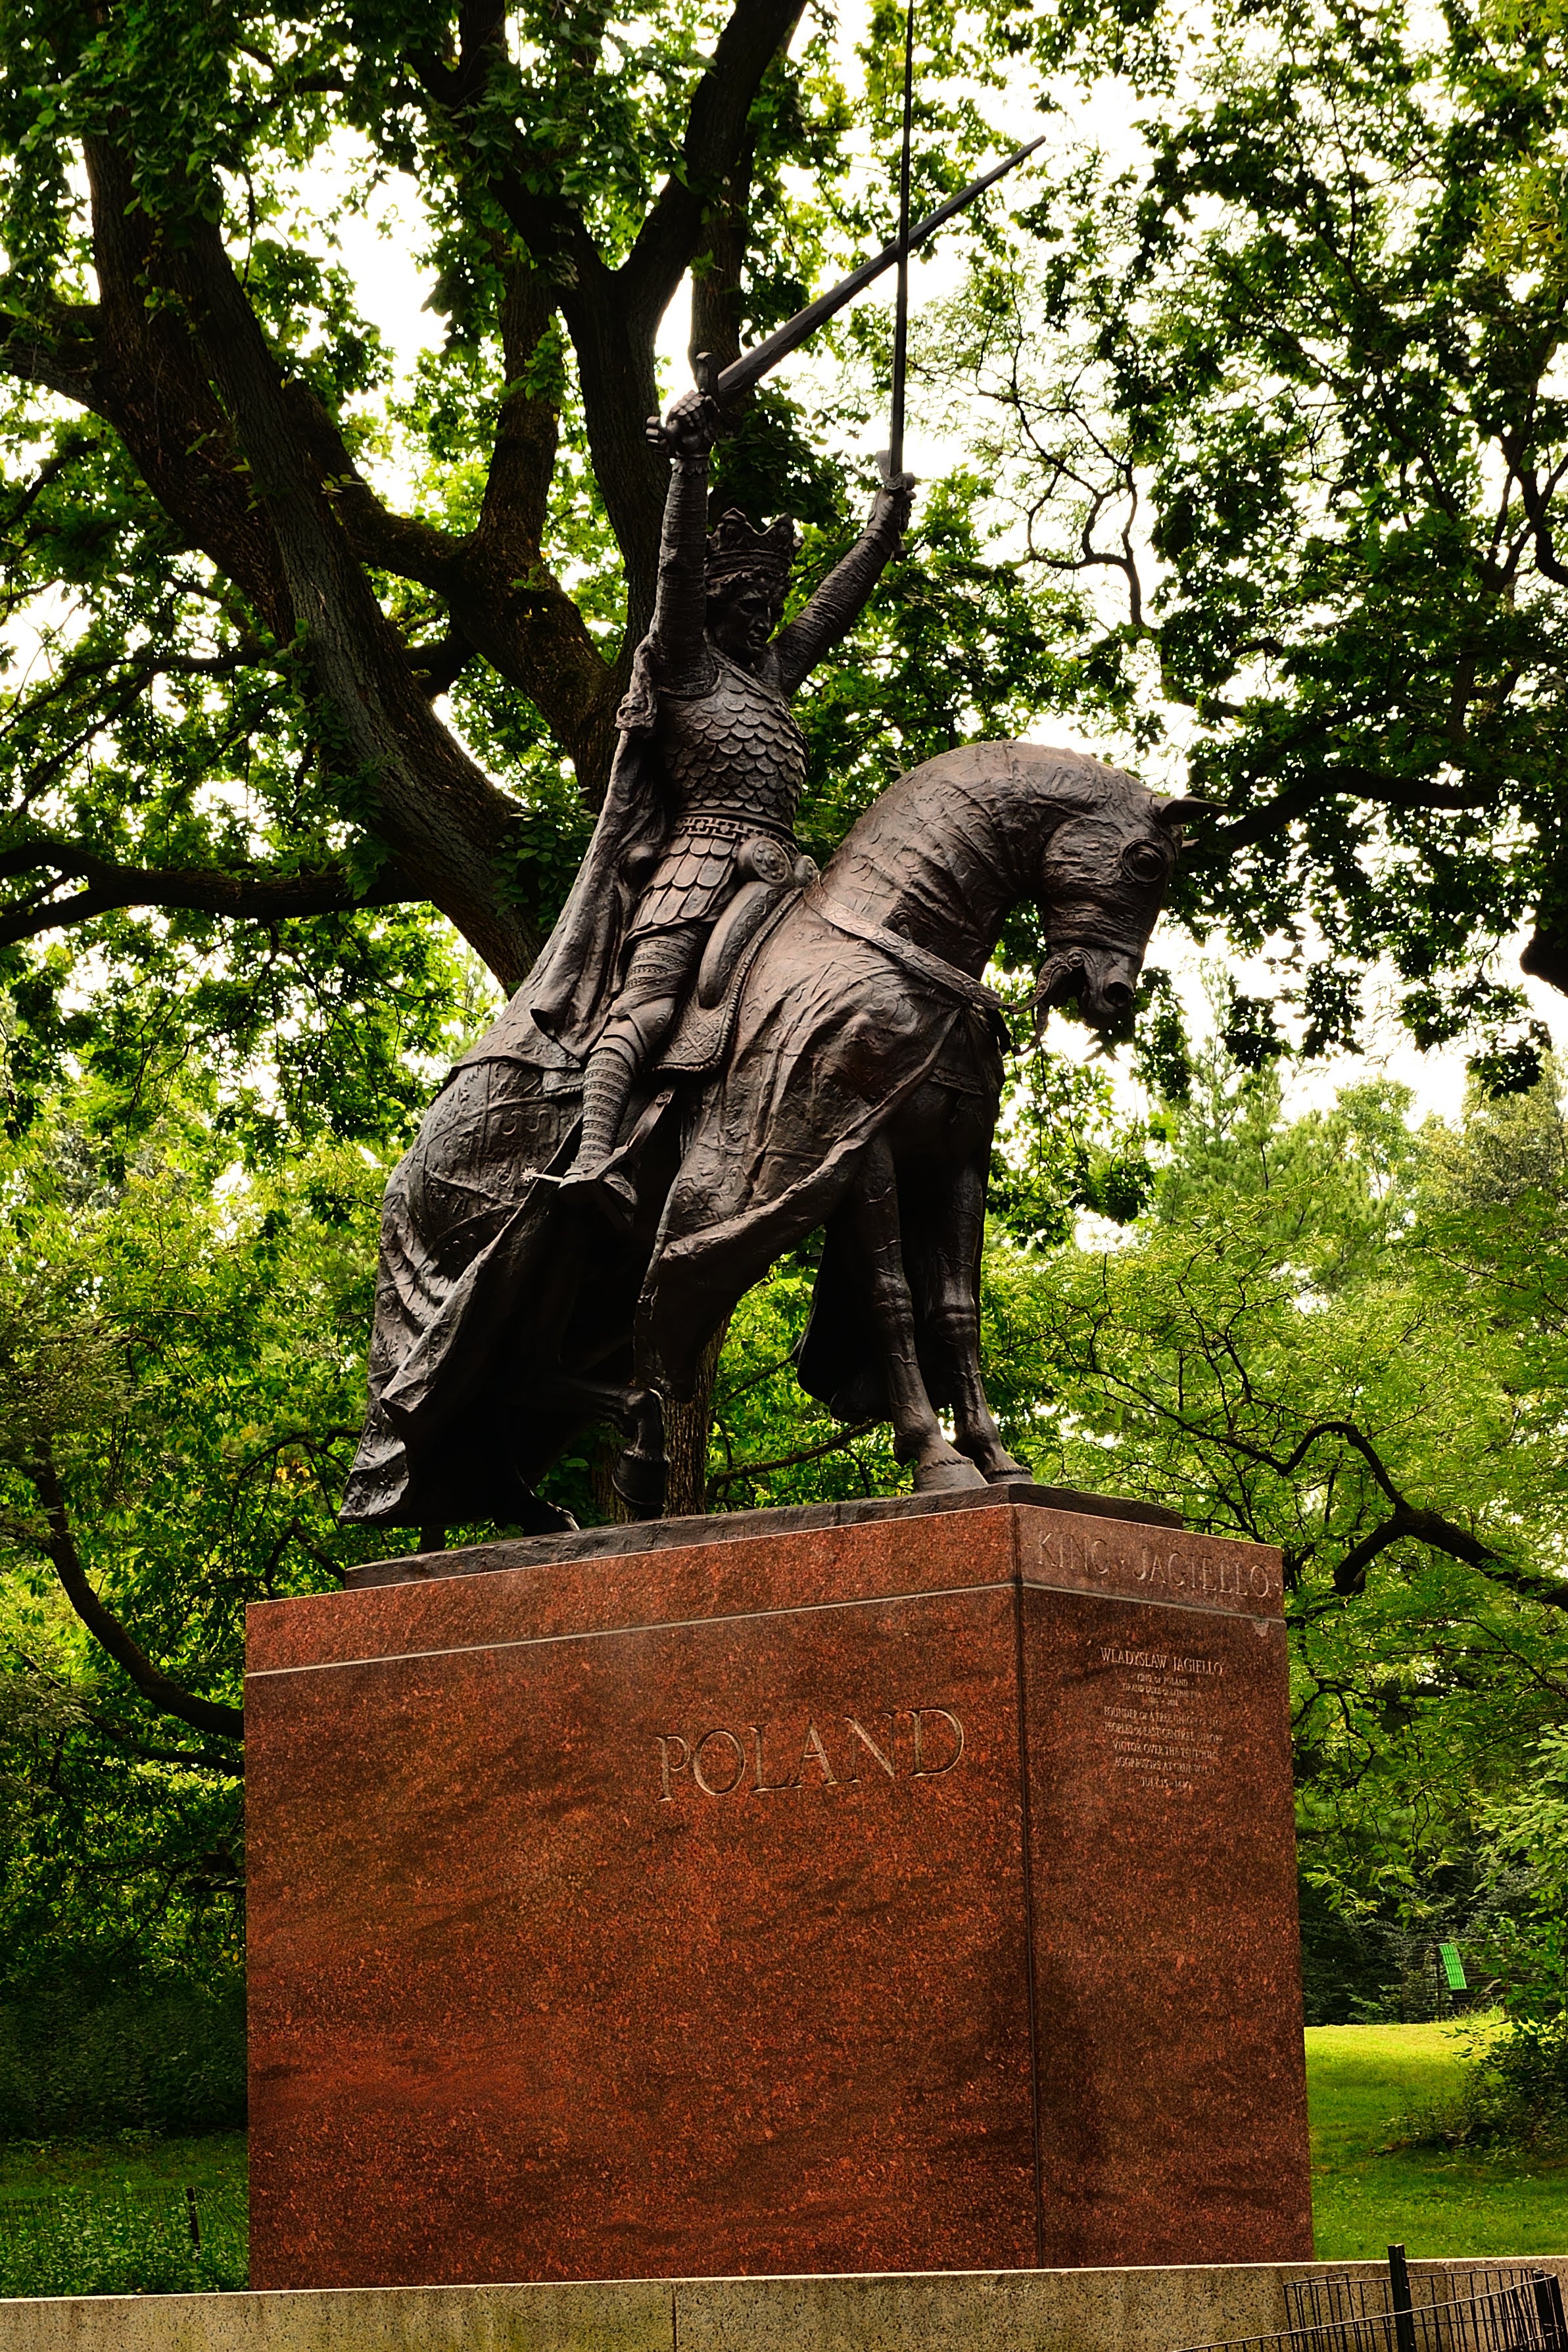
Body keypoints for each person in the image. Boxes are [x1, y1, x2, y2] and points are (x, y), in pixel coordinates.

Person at [542, 385, 916, 1189]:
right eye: (751, 603)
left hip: (786, 874)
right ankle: (593, 1156)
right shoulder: (686, 665)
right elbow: (675, 569)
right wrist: (691, 463)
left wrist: (881, 530)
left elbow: (831, 609)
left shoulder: (769, 677)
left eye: (771, 606)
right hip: (695, 867)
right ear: (714, 605)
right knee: (647, 1006)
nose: (766, 618)